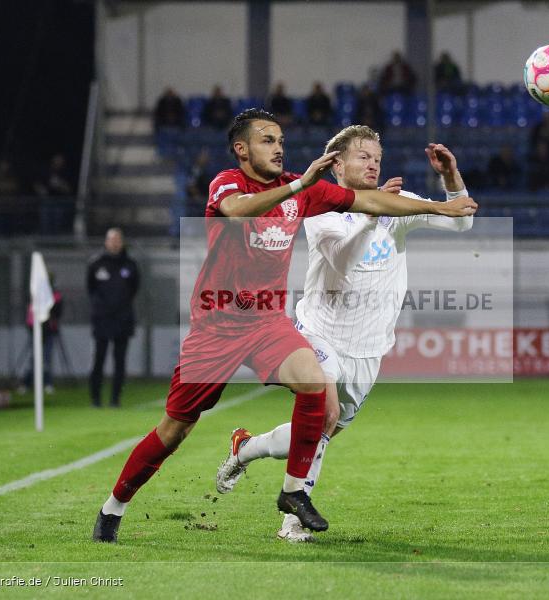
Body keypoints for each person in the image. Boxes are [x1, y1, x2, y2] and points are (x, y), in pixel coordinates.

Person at [91, 108, 477, 543]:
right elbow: (238, 212)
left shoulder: (308, 191)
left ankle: (290, 492)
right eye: (267, 140)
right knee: (176, 427)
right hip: (221, 326)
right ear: (242, 149)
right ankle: (113, 507)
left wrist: (444, 199)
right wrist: (299, 185)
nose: (278, 148)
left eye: (280, 141)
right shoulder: (233, 184)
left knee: (317, 396)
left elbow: (375, 202)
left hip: (270, 324)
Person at [215, 125, 472, 542]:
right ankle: (293, 519)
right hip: (319, 334)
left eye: (377, 157)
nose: (373, 164)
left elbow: (462, 222)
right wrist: (374, 217)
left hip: (369, 348)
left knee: (319, 434)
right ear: (337, 164)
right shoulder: (320, 209)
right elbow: (344, 260)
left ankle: (245, 448)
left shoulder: (397, 204)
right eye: (363, 156)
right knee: (325, 414)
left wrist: (449, 178)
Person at [87, 229, 139, 408]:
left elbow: (134, 288)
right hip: (102, 319)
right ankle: (95, 399)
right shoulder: (96, 264)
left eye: (118, 239)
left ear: (122, 242)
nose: (114, 242)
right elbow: (91, 289)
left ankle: (115, 400)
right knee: (98, 360)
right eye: (111, 239)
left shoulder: (130, 265)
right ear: (106, 242)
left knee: (120, 362)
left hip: (123, 319)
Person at [18, 275, 63, 394]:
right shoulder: (35, 295)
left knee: (46, 360)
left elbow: (58, 312)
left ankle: (47, 383)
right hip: (36, 331)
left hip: (49, 332)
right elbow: (31, 315)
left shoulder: (55, 296)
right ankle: (26, 383)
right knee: (35, 360)